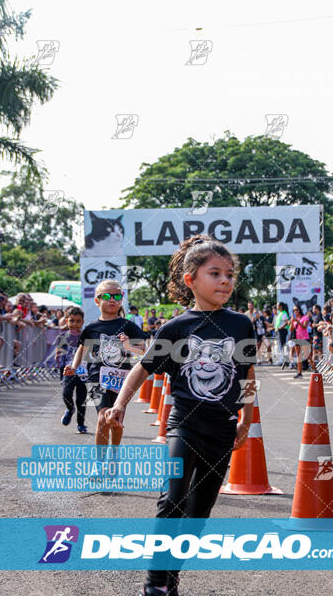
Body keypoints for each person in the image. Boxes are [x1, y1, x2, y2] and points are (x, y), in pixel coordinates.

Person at [105, 234, 257, 596]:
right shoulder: (176, 328)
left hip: (221, 431)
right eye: (216, 273)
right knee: (171, 499)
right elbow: (141, 369)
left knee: (199, 515)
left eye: (231, 274)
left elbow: (249, 377)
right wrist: (121, 403)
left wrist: (247, 419)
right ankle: (154, 583)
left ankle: (172, 574)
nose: (226, 281)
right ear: (191, 279)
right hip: (184, 427)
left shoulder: (242, 325)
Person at [64, 280, 145, 449]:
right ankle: (99, 465)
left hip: (122, 379)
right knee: (102, 417)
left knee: (115, 419)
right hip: (97, 378)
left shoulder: (128, 326)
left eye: (117, 296)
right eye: (107, 296)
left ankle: (113, 455)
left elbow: (144, 350)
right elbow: (81, 349)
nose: (112, 299)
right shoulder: (92, 327)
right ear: (97, 300)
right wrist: (74, 366)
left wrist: (129, 346)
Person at [56, 307, 88, 434]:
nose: (75, 324)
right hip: (67, 371)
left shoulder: (85, 336)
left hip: (83, 372)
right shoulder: (63, 336)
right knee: (66, 393)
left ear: (82, 322)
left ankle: (81, 424)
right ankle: (70, 409)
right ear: (66, 321)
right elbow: (59, 353)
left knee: (81, 399)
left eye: (78, 321)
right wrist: (58, 364)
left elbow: (90, 353)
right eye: (72, 321)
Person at [289, 304, 315, 378]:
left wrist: (297, 321)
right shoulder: (293, 319)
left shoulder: (305, 317)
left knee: (308, 355)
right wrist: (291, 321)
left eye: (296, 309)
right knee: (298, 356)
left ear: (299, 310)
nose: (295, 311)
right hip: (297, 339)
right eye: (294, 310)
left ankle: (315, 370)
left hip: (304, 338)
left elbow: (304, 327)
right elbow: (291, 329)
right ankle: (299, 372)